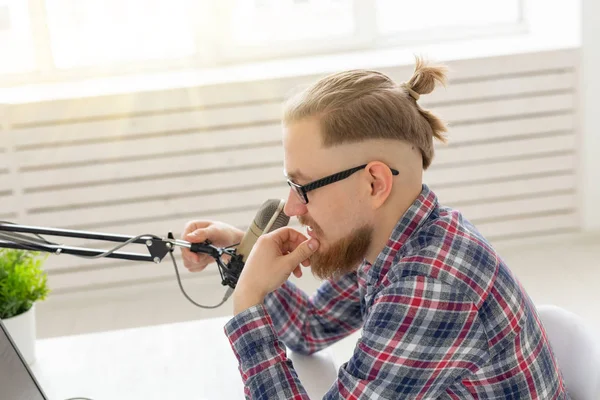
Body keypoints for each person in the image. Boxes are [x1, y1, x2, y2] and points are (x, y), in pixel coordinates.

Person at [181, 57, 570, 399]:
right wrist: (241, 252)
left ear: (374, 184)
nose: (291, 207)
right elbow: (311, 327)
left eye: (304, 187)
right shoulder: (393, 240)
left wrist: (247, 306)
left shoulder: (430, 288)